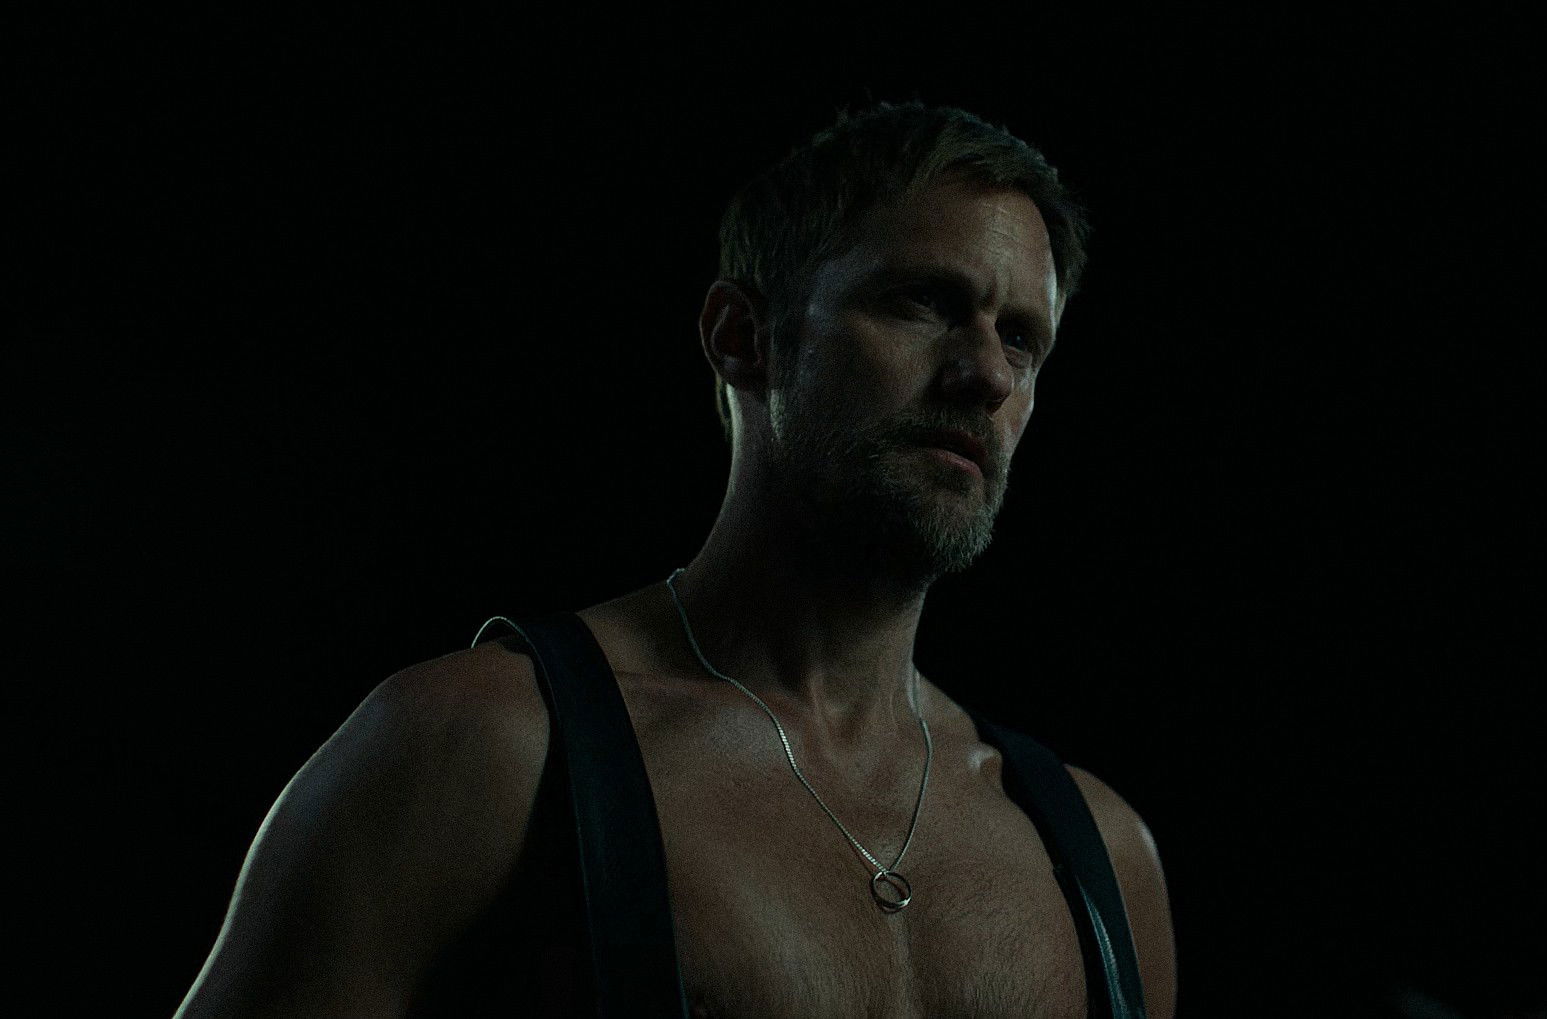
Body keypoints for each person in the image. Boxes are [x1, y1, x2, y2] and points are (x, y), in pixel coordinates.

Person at [175, 101, 1177, 1018]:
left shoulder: (1099, 854)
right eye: (921, 301)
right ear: (742, 337)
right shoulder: (478, 749)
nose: (987, 372)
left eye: (1021, 338)